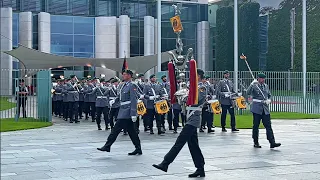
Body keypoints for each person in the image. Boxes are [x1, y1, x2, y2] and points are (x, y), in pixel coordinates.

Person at [152, 69, 206, 178]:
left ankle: (165, 163)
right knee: (193, 145)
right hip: (189, 117)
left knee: (180, 141)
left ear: (198, 76)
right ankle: (200, 168)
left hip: (194, 118)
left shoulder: (201, 88)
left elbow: (196, 100)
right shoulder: (193, 87)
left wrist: (185, 96)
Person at [97, 69, 142, 156]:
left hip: (127, 111)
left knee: (116, 129)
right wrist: (114, 100)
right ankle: (138, 148)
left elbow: (133, 100)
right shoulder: (123, 85)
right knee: (132, 132)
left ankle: (107, 146)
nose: (123, 76)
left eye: (125, 74)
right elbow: (120, 96)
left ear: (129, 76)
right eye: (123, 74)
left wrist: (133, 113)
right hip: (123, 109)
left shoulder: (132, 85)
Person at [247, 73, 281, 148]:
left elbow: (269, 94)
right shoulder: (255, 86)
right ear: (258, 78)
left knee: (268, 125)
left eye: (264, 78)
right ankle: (256, 142)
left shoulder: (266, 86)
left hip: (265, 109)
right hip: (257, 108)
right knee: (256, 126)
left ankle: (272, 142)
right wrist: (251, 84)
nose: (263, 80)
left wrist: (269, 99)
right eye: (261, 78)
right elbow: (248, 92)